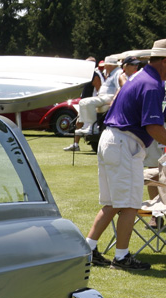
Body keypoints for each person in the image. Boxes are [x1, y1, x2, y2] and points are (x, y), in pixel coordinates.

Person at [82, 39, 166, 271]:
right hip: (123, 143)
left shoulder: (138, 77)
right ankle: (121, 257)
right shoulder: (152, 84)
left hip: (113, 140)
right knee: (128, 204)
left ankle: (88, 249)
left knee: (113, 203)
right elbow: (153, 127)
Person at [66, 59, 119, 152]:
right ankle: (86, 127)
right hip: (101, 97)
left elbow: (116, 88)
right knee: (82, 103)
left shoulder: (116, 73)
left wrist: (113, 100)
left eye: (106, 65)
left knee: (88, 103)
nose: (104, 67)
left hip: (107, 97)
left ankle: (92, 128)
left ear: (110, 65)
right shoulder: (108, 74)